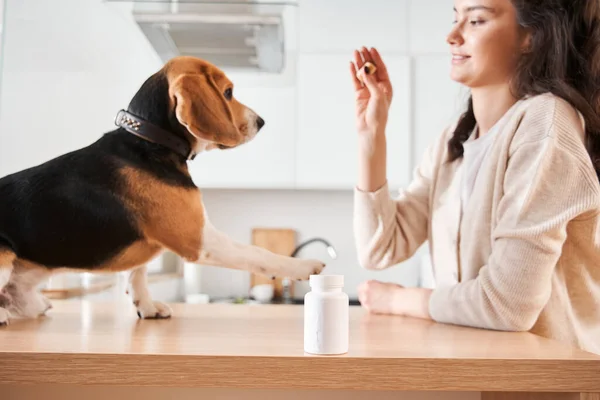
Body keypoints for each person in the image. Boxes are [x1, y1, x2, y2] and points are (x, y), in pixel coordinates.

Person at [351, 0, 600, 354]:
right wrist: (371, 136)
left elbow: (507, 304)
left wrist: (398, 300)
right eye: (455, 18)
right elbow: (380, 248)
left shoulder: (546, 124)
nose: (452, 35)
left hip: (549, 384)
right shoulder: (454, 140)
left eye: (476, 20)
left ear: (530, 36)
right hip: (488, 376)